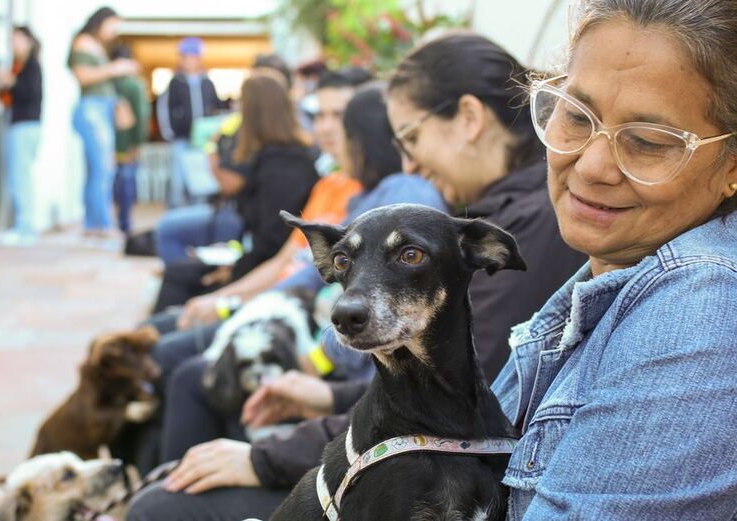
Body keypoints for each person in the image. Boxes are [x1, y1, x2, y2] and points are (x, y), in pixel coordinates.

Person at [150, 1, 737, 518]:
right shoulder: (598, 277)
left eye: (649, 141)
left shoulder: (697, 314)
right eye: (575, 115)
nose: (589, 166)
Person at [126, 31, 589, 521]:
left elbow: (451, 397)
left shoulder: (522, 230)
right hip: (389, 436)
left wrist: (267, 458)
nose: (408, 163)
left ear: (470, 118)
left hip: (418, 463)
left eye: (411, 138)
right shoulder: (484, 213)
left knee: (163, 502)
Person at [152, 75, 318, 313]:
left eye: (243, 105)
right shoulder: (270, 156)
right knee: (179, 270)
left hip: (266, 273)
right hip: (255, 257)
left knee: (177, 267)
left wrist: (234, 274)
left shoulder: (284, 167)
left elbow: (270, 243)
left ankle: (154, 337)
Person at [68, 7, 138, 237]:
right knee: (103, 169)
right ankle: (103, 225)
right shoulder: (84, 42)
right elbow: (84, 76)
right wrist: (115, 69)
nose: (115, 31)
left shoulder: (96, 45)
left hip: (101, 108)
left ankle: (93, 225)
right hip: (92, 110)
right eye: (113, 25)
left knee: (97, 170)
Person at [157, 37, 224, 207]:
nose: (188, 60)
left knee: (200, 181)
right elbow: (164, 109)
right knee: (178, 181)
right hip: (181, 139)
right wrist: (169, 132)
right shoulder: (175, 83)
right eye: (185, 56)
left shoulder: (207, 83)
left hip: (203, 142)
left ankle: (198, 214)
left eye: (192, 56)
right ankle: (176, 214)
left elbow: (215, 109)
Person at [0, 26, 42, 245]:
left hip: (26, 126)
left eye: (15, 39)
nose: (13, 44)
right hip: (23, 125)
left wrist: (9, 82)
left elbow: (28, 92)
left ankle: (25, 228)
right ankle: (23, 226)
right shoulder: (21, 65)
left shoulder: (31, 66)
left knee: (21, 176)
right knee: (18, 177)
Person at [109, 44, 150, 240]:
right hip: (127, 145)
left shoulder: (107, 83)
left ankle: (109, 223)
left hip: (109, 144)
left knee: (109, 185)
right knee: (126, 184)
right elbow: (141, 117)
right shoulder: (134, 85)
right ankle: (124, 224)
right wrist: (138, 143)